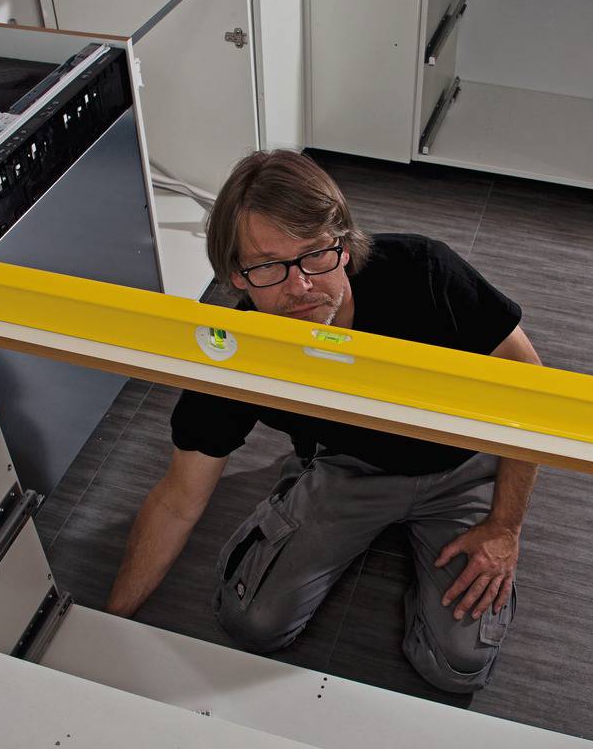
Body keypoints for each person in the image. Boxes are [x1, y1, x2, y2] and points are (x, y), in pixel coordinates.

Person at [106, 150, 542, 693]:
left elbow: (531, 388)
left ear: (344, 245)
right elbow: (176, 500)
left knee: (457, 666)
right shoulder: (237, 353)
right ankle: (302, 489)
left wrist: (505, 527)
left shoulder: (426, 273)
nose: (300, 288)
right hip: (348, 469)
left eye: (315, 254)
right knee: (251, 622)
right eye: (267, 266)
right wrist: (106, 626)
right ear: (236, 277)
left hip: (461, 464)